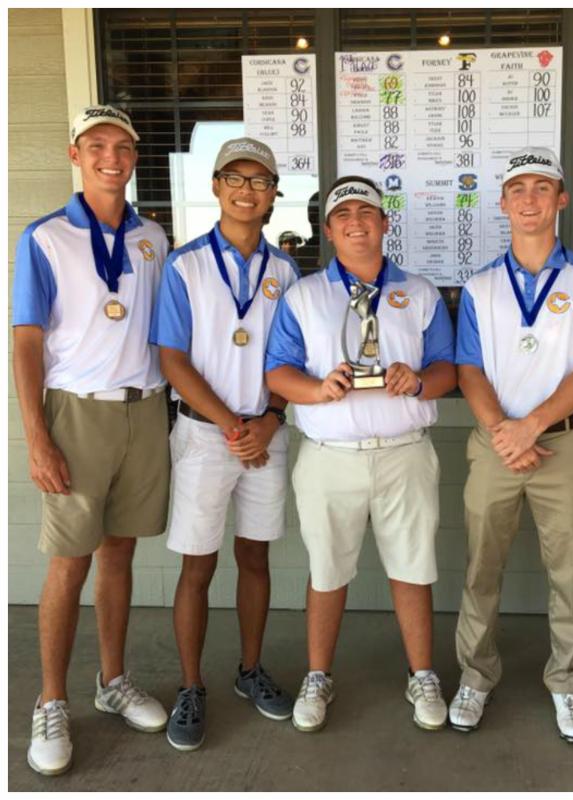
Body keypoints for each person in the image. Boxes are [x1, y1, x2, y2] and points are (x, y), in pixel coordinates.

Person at [266, 176, 456, 733]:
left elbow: (447, 369)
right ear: (328, 229)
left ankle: (422, 674)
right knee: (327, 571)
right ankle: (318, 676)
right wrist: (316, 389)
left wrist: (417, 381)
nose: (356, 222)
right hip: (330, 455)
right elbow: (277, 372)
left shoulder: (419, 292)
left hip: (404, 452)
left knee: (413, 568)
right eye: (343, 214)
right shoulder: (303, 296)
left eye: (366, 212)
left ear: (385, 223)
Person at [12, 105, 170, 775]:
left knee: (120, 553)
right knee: (69, 561)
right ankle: (51, 699)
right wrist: (37, 437)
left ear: (135, 158)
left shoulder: (153, 236)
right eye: (97, 145)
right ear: (75, 154)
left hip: (146, 410)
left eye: (123, 146)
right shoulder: (46, 237)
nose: (112, 157)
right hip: (77, 414)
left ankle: (112, 680)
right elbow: (26, 340)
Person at [451, 147, 573, 740]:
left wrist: (532, 425)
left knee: (569, 573)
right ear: (502, 203)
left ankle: (568, 683)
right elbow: (468, 368)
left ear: (561, 199)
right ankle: (475, 676)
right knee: (481, 567)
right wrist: (506, 430)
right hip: (494, 443)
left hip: (563, 447)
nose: (529, 199)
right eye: (518, 189)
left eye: (542, 188)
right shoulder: (480, 286)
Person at [150, 138, 299, 751]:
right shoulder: (184, 266)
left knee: (255, 558)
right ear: (215, 186)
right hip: (207, 435)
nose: (246, 190)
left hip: (265, 434)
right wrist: (234, 427)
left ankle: (249, 669)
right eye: (235, 178)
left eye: (260, 180)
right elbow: (172, 359)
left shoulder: (285, 271)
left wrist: (270, 418)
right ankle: (191, 686)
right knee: (198, 565)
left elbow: (292, 358)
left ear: (273, 195)